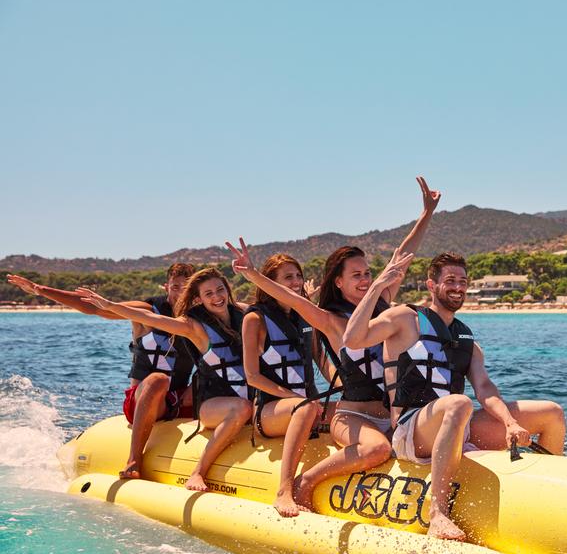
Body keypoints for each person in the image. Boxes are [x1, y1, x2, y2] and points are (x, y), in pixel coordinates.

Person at [225, 176, 441, 512]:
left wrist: (426, 214)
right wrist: (252, 274)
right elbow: (292, 300)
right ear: (338, 282)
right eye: (356, 275)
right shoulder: (331, 320)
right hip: (353, 416)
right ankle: (302, 482)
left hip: (393, 416)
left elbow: (402, 257)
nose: (365, 280)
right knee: (377, 450)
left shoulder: (381, 304)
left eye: (367, 273)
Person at [344, 252, 567, 541]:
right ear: (431, 285)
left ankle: (552, 495)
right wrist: (376, 287)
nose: (458, 287)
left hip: (456, 424)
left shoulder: (466, 338)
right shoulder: (405, 318)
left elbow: (484, 388)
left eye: (463, 281)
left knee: (551, 412)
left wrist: (510, 423)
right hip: (412, 430)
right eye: (450, 280)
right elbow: (352, 339)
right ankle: (438, 514)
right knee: (460, 403)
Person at [7, 264, 197, 479]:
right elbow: (96, 307)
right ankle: (134, 459)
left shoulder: (197, 319)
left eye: (186, 288)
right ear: (166, 287)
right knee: (157, 380)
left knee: (209, 377)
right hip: (142, 400)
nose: (180, 293)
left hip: (178, 400)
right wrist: (40, 289)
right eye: (175, 287)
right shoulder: (146, 310)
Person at [77, 268, 252, 492]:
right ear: (199, 299)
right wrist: (110, 306)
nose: (217, 297)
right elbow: (151, 318)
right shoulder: (193, 326)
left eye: (220, 290)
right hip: (214, 403)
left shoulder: (244, 315)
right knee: (241, 407)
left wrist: (254, 274)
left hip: (240, 398)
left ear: (228, 290)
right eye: (208, 293)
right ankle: (195, 471)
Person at [241, 253, 323, 517]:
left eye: (298, 275)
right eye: (288, 277)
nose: (296, 281)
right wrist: (296, 398)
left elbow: (320, 358)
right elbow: (252, 376)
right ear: (270, 283)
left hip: (305, 405)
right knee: (304, 407)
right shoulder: (255, 319)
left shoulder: (305, 314)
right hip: (269, 412)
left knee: (350, 408)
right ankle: (284, 490)